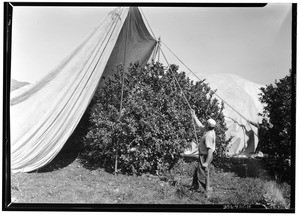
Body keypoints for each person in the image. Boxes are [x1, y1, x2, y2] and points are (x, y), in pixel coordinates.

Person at [190, 109, 216, 196]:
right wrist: (194, 116)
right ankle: (194, 186)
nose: (204, 124)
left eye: (206, 123)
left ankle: (208, 190)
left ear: (208, 125)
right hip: (203, 155)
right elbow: (200, 125)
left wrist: (206, 162)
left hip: (205, 156)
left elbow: (210, 151)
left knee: (201, 174)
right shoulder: (208, 130)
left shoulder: (209, 135)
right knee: (198, 171)